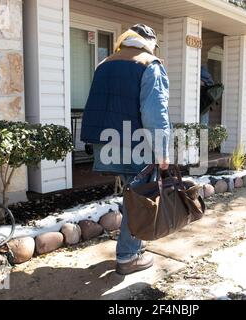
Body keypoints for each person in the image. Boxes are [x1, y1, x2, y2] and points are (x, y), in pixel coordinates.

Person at [80, 24, 171, 275]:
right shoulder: (149, 64)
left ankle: (132, 247)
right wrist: (163, 152)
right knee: (139, 199)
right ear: (149, 43)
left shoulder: (105, 63)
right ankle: (128, 257)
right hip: (137, 143)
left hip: (107, 142)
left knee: (132, 196)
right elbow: (155, 113)